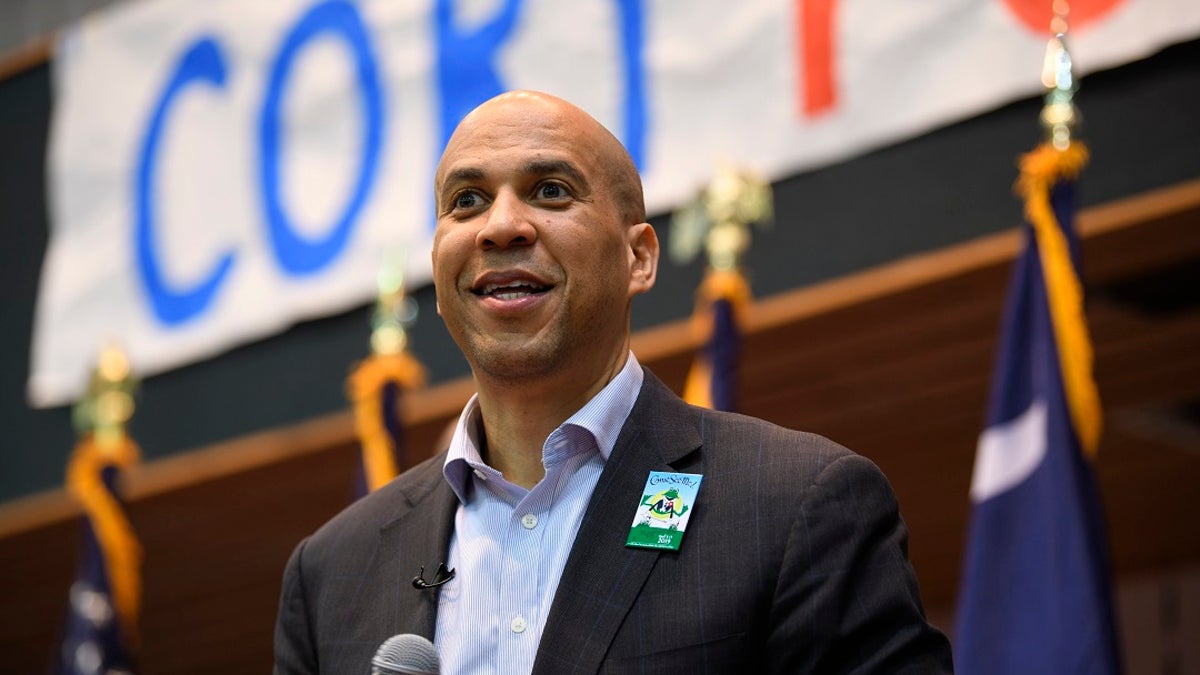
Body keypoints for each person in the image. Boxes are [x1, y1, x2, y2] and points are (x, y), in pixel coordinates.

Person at [274, 90, 953, 674]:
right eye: (467, 200)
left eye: (550, 191)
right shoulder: (333, 571)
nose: (502, 225)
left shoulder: (795, 505)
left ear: (638, 257)